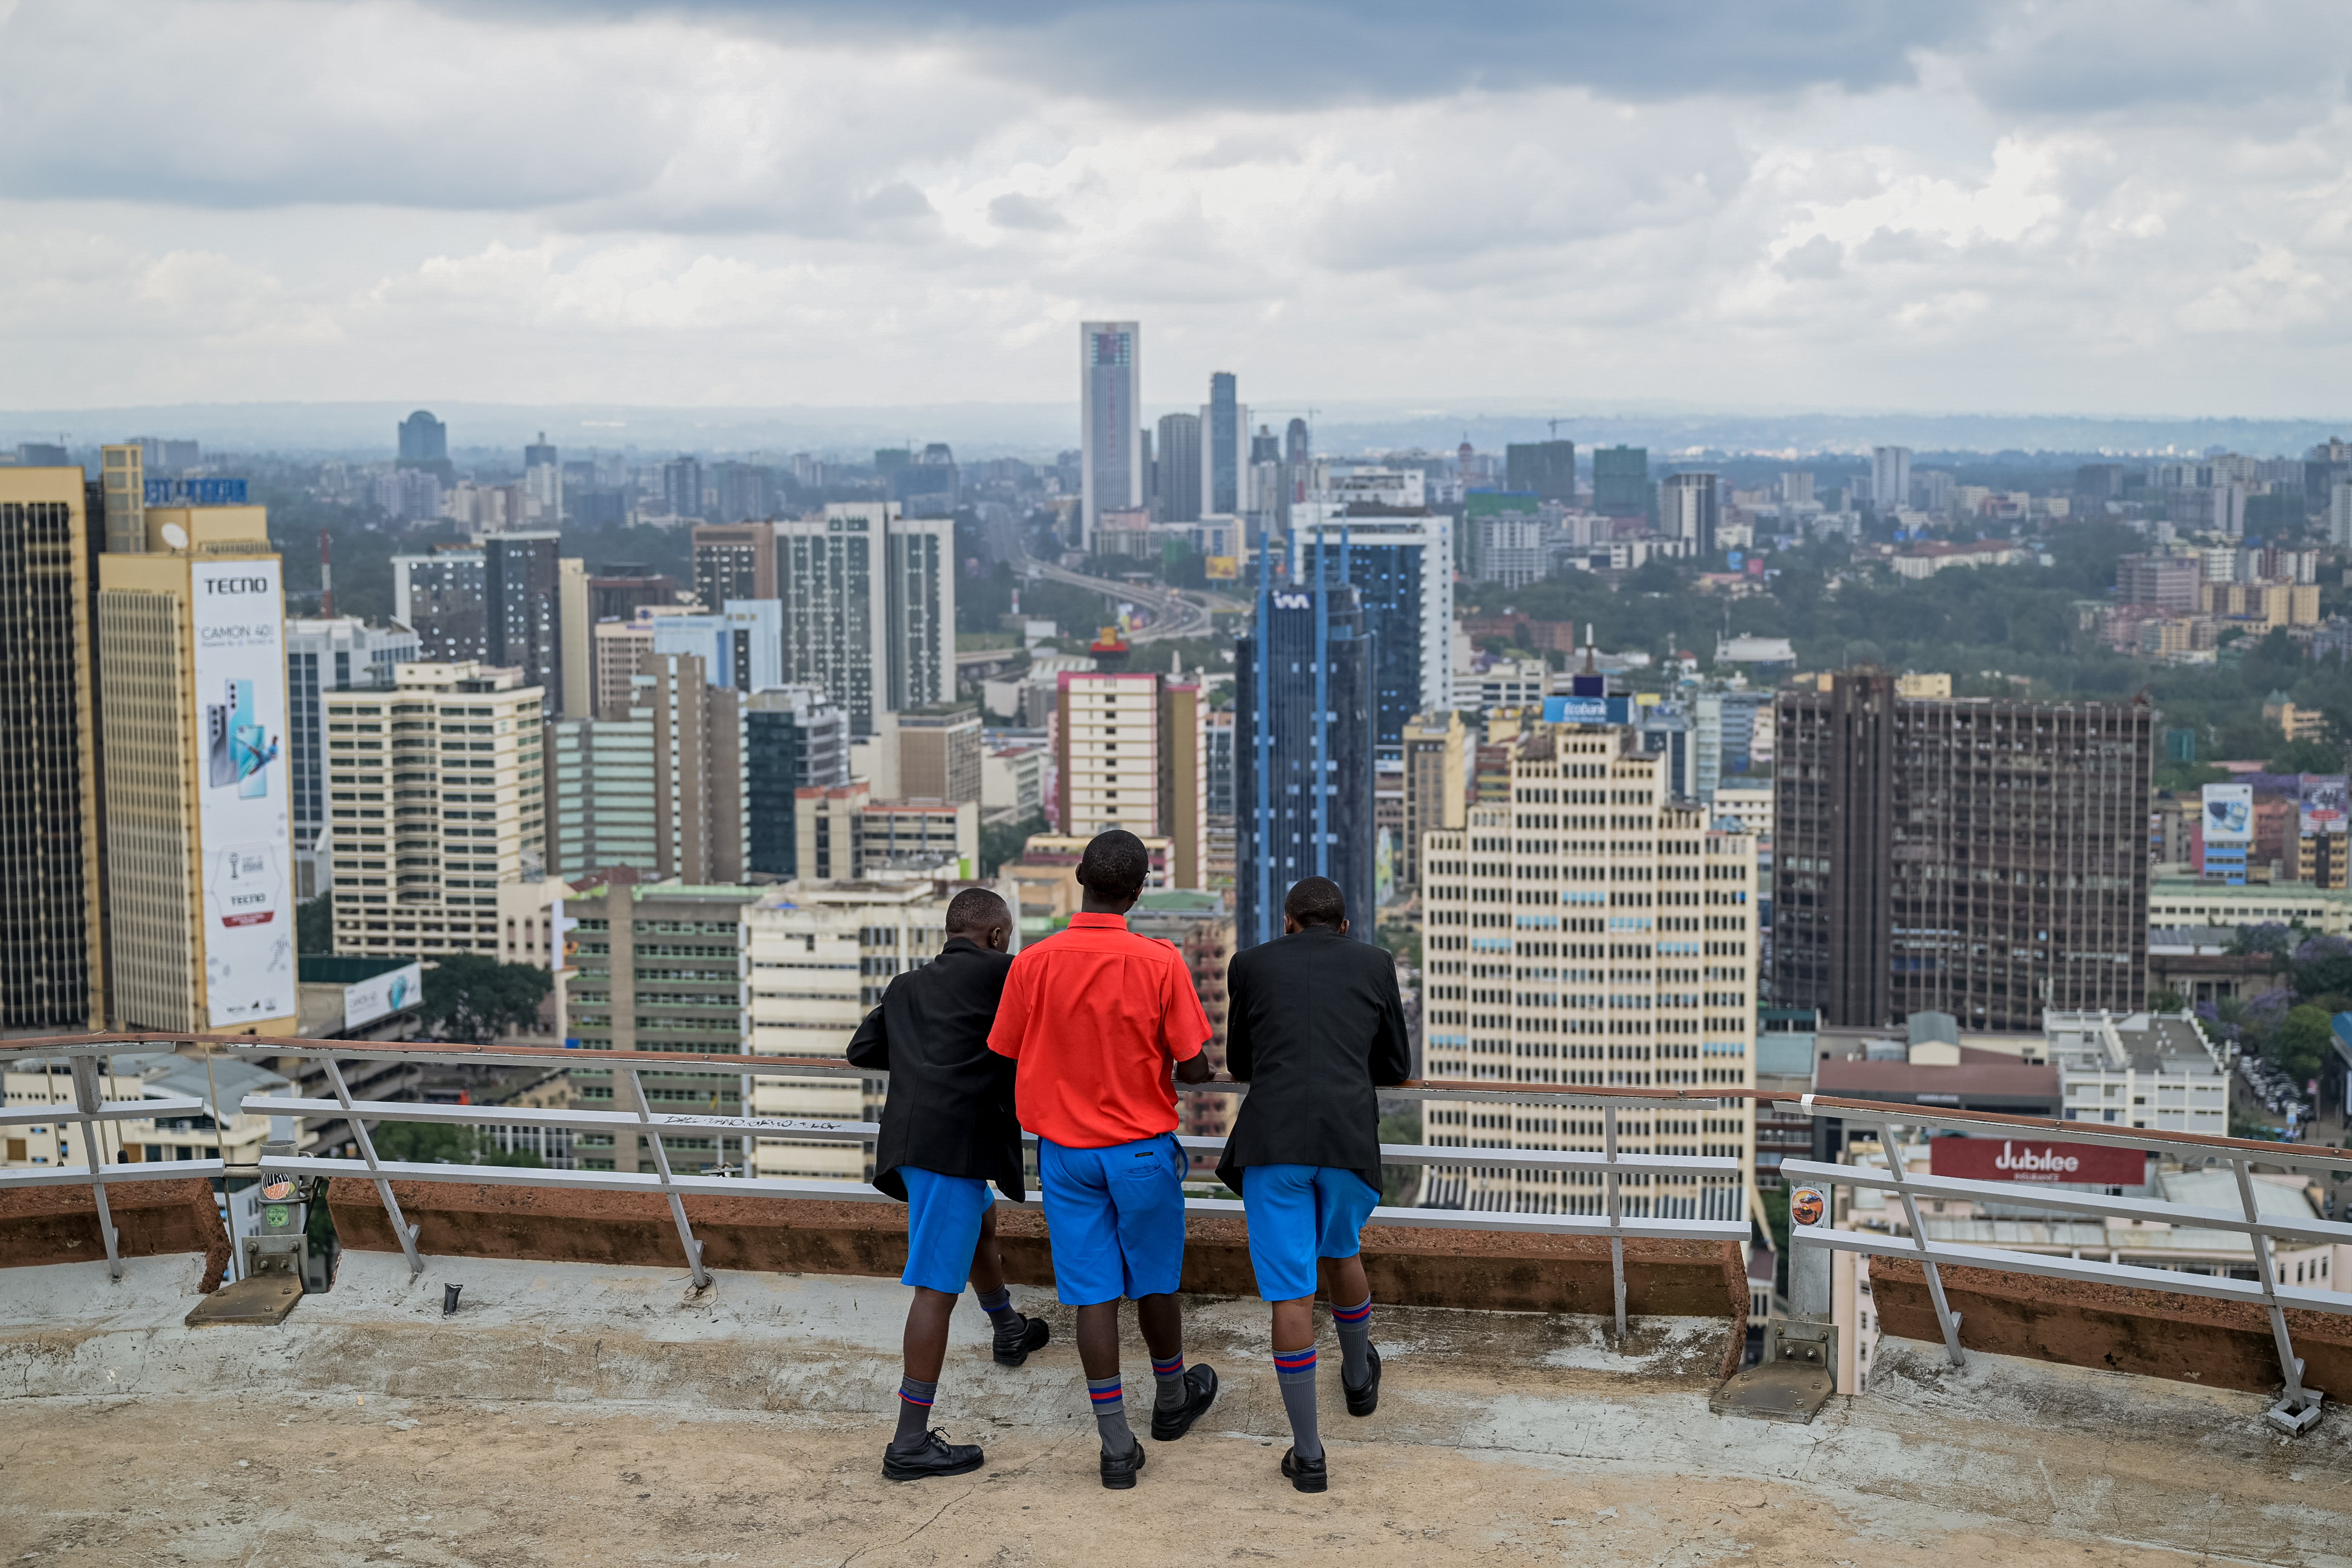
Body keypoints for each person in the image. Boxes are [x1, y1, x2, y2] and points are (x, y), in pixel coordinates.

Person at [987, 829, 1220, 1490]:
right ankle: (1171, 1402)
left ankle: (1116, 1447)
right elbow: (1196, 1066)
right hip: (1140, 1152)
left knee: (1093, 1296)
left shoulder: (1033, 963)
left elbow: (1004, 1052)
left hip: (1064, 1155)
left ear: (1079, 879)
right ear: (1138, 891)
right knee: (1154, 1282)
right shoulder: (1160, 962)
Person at [1215, 875, 1412, 1493]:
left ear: (1289, 922)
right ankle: (1358, 1379)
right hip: (1348, 1140)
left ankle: (1309, 1456)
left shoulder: (1249, 964)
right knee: (1343, 1251)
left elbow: (1241, 1064)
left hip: (1274, 1145)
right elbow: (1396, 1067)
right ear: (1345, 925)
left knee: (1291, 1298)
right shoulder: (1376, 963)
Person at [846, 887, 1051, 1483]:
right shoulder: (1010, 977)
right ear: (995, 935)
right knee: (935, 1289)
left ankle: (1008, 1328)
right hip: (953, 1151)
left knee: (982, 1222)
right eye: (1006, 936)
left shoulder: (908, 986)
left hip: (912, 1146)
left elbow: (863, 1050)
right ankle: (909, 1442)